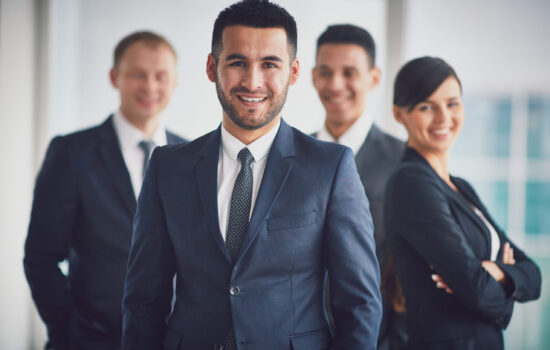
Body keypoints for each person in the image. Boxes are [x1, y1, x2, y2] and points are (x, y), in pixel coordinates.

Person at [121, 1, 382, 349]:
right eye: (237, 62)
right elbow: (143, 302)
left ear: (293, 72)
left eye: (270, 64)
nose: (253, 81)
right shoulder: (168, 167)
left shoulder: (330, 168)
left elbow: (360, 306)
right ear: (212, 67)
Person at [24, 31, 187, 350]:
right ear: (115, 77)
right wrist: (68, 333)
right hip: (92, 341)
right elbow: (40, 257)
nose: (150, 86)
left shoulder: (191, 156)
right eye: (138, 74)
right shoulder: (71, 152)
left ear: (175, 82)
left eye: (161, 76)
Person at [385, 56, 541, 349]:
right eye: (426, 107)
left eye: (452, 103)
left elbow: (533, 275)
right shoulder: (411, 183)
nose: (444, 118)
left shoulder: (460, 186)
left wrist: (494, 272)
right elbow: (477, 291)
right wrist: (502, 286)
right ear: (399, 114)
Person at [311, 24, 406, 350]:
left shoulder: (405, 162)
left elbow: (410, 271)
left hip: (379, 340)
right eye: (326, 72)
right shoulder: (289, 157)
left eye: (349, 72)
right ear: (312, 77)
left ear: (374, 78)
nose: (336, 85)